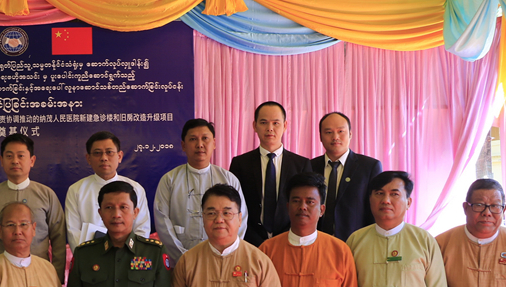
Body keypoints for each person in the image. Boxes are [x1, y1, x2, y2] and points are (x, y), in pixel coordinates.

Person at [154, 119, 248, 265]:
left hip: (222, 261)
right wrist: (185, 259)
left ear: (214, 143)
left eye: (205, 138)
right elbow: (162, 223)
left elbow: (240, 220)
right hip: (180, 263)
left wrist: (226, 253)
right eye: (193, 139)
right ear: (183, 145)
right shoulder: (169, 180)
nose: (199, 145)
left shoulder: (229, 179)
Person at [0, 133, 66, 282]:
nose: (15, 161)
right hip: (0, 274)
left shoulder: (47, 194)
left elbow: (59, 240)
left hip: (40, 273)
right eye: (9, 156)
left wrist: (56, 276)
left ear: (32, 160)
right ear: (1, 161)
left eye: (21, 156)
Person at [229, 102, 312, 247]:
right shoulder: (240, 164)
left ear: (285, 125)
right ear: (254, 126)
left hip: (290, 240)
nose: (270, 128)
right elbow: (234, 205)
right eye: (263, 122)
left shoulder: (302, 165)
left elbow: (306, 204)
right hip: (249, 240)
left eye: (276, 123)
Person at [65, 130, 151, 248]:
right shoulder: (76, 190)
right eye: (97, 153)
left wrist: (127, 256)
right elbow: (73, 232)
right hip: (90, 259)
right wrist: (87, 258)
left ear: (119, 156)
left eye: (109, 152)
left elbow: (142, 229)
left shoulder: (136, 189)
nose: (104, 158)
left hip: (129, 259)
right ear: (88, 158)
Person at [310, 112, 383, 241]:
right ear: (320, 137)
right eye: (328, 132)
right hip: (316, 242)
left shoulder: (369, 167)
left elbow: (375, 209)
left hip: (357, 242)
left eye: (341, 131)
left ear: (350, 134)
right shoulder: (310, 166)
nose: (335, 137)